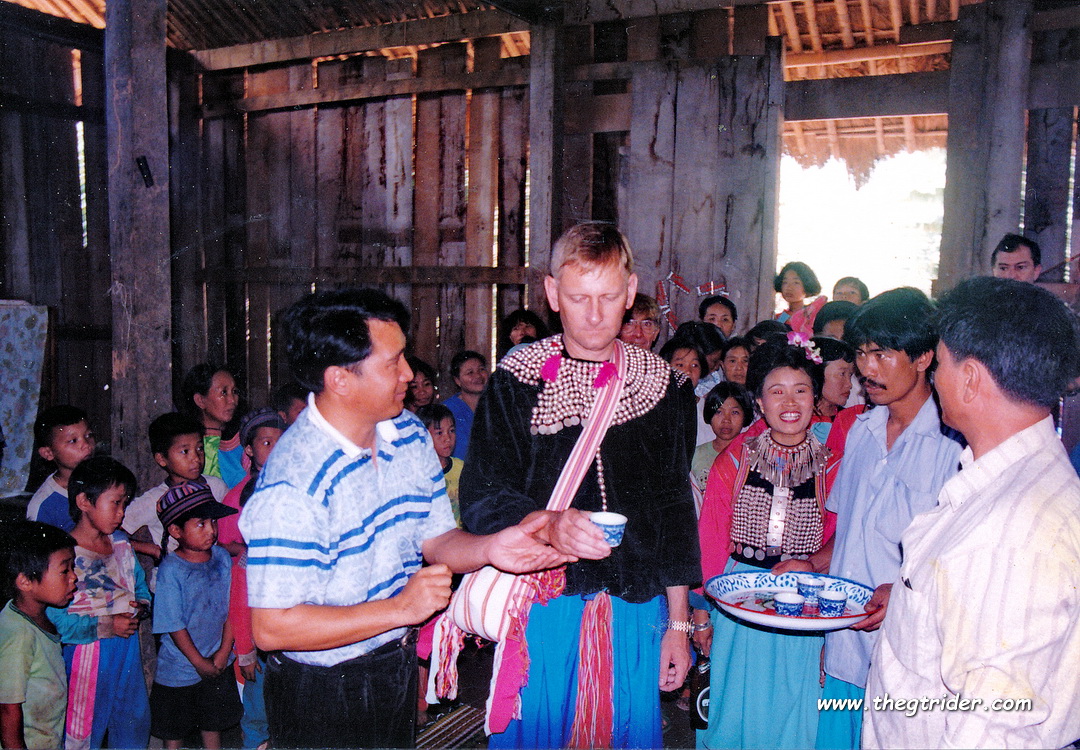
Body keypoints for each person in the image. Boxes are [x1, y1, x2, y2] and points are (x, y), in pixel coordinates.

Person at [239, 288, 569, 749]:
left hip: (393, 663)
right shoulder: (294, 481)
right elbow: (272, 627)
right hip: (319, 689)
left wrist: (492, 547)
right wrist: (399, 609)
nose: (409, 375)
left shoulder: (409, 435)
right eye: (393, 363)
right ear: (340, 379)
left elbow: (437, 538)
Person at [459, 222, 700, 749]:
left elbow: (674, 510)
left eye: (608, 297)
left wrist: (679, 626)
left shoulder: (665, 386)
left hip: (637, 608)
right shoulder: (517, 379)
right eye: (578, 298)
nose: (594, 315)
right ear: (552, 294)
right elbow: (481, 497)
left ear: (630, 292)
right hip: (546, 604)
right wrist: (547, 524)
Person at [864, 277, 1080, 747]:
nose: (935, 380)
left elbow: (994, 727)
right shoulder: (1008, 480)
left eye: (940, 364)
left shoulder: (1013, 531)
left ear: (970, 378)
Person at [788, 289, 965, 749]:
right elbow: (849, 533)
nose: (867, 369)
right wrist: (811, 565)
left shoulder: (954, 445)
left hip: (907, 658)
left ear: (924, 357)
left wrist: (902, 590)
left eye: (882, 354)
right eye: (862, 354)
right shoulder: (861, 432)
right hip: (845, 646)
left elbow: (959, 562)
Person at [693, 338, 839, 750]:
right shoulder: (733, 461)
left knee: (794, 705)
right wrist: (701, 613)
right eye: (777, 391)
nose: (789, 402)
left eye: (801, 390)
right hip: (739, 599)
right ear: (759, 401)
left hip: (805, 600)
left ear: (815, 398)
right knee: (736, 702)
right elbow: (710, 540)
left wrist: (815, 564)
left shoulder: (833, 464)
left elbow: (841, 537)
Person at [47, 455, 151, 750]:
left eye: (124, 504)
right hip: (87, 655)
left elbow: (139, 586)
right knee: (83, 729)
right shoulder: (63, 555)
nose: (121, 513)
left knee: (132, 720)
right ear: (84, 501)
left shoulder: (121, 544)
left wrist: (141, 605)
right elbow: (56, 621)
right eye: (115, 503)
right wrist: (106, 625)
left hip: (126, 648)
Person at [150, 483, 242, 750]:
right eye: (200, 524)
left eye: (212, 522)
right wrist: (199, 662)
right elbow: (174, 625)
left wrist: (223, 652)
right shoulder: (172, 570)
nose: (211, 530)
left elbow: (231, 608)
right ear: (176, 531)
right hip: (180, 666)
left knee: (212, 722)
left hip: (217, 657)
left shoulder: (221, 557)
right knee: (174, 729)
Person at [217, 408, 284, 750]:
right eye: (266, 442)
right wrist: (244, 649)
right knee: (257, 716)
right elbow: (238, 597)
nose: (275, 449)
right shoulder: (236, 498)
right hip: (256, 642)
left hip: (287, 639)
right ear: (248, 449)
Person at [0, 521, 76, 750]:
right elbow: (7, 708)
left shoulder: (39, 617)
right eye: (64, 570)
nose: (74, 577)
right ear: (25, 581)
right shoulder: (19, 633)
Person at [122, 412, 229, 569]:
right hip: (173, 576)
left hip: (212, 571)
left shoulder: (216, 486)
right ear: (162, 459)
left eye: (200, 448)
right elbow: (113, 531)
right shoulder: (155, 499)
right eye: (185, 451)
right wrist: (151, 549)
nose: (196, 457)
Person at [25, 406, 96, 532]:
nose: (86, 445)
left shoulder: (105, 479)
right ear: (48, 453)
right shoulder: (44, 505)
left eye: (88, 435)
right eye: (73, 441)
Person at [179, 364, 245, 488]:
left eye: (234, 391)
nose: (232, 400)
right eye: (224, 392)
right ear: (200, 400)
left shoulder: (242, 442)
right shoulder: (186, 447)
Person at [690, 382, 754, 504]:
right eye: (719, 412)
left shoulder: (753, 455)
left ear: (745, 416)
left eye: (734, 412)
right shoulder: (695, 456)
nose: (726, 420)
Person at [415, 404, 463, 526]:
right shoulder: (418, 474)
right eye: (439, 433)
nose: (448, 439)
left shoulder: (461, 468)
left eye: (451, 431)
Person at [810, 337, 856, 443]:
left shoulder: (853, 420)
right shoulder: (797, 421)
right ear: (816, 374)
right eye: (842, 374)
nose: (849, 384)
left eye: (850, 375)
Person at [444, 350, 489, 461]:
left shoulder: (497, 406)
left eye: (481, 369)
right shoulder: (447, 410)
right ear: (457, 380)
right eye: (470, 372)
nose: (478, 376)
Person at [774, 261, 827, 336]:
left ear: (807, 286)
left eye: (796, 283)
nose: (789, 287)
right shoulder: (781, 317)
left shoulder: (813, 314)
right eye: (785, 282)